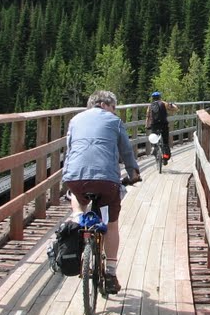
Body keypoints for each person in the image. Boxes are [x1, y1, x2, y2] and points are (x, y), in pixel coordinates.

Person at [61, 90, 141, 294]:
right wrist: (133, 172)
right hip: (106, 181)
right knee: (110, 225)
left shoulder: (75, 120)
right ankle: (111, 274)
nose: (114, 112)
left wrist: (67, 179)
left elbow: (70, 151)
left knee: (77, 198)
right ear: (107, 105)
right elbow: (126, 150)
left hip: (76, 178)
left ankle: (78, 217)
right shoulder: (114, 121)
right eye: (114, 108)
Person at [146, 90, 178, 164]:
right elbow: (175, 109)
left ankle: (154, 148)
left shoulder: (150, 106)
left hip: (154, 125)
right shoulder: (164, 103)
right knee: (166, 142)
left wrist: (147, 125)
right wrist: (172, 104)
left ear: (152, 98)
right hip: (164, 125)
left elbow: (148, 117)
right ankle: (166, 157)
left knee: (154, 137)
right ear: (160, 97)